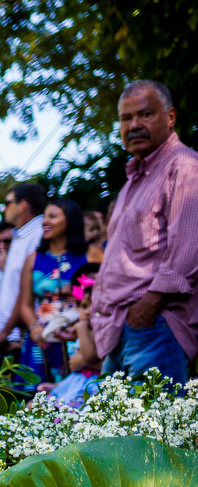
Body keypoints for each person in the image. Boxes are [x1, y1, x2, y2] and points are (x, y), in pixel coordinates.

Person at [92, 81, 198, 385]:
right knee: (112, 431)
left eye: (145, 114)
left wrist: (146, 310)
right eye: (126, 118)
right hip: (121, 328)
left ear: (170, 117)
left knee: (152, 433)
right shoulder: (132, 181)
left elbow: (188, 251)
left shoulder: (185, 167)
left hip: (155, 327)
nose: (134, 125)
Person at [16, 198, 90, 384]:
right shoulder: (32, 260)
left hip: (79, 335)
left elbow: (104, 295)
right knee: (38, 400)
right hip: (42, 338)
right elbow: (24, 305)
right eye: (44, 217)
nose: (45, 222)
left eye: (53, 216)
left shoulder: (90, 254)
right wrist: (35, 327)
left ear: (70, 220)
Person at [0, 184, 47, 350]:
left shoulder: (38, 234)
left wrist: (5, 332)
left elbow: (26, 290)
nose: (4, 208)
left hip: (23, 336)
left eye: (8, 202)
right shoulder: (20, 234)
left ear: (22, 205)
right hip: (11, 335)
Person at [47, 265, 102, 406]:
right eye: (84, 306)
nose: (88, 311)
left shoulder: (96, 329)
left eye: (93, 305)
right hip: (77, 380)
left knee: (66, 410)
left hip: (92, 385)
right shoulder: (82, 327)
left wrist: (81, 327)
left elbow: (89, 358)